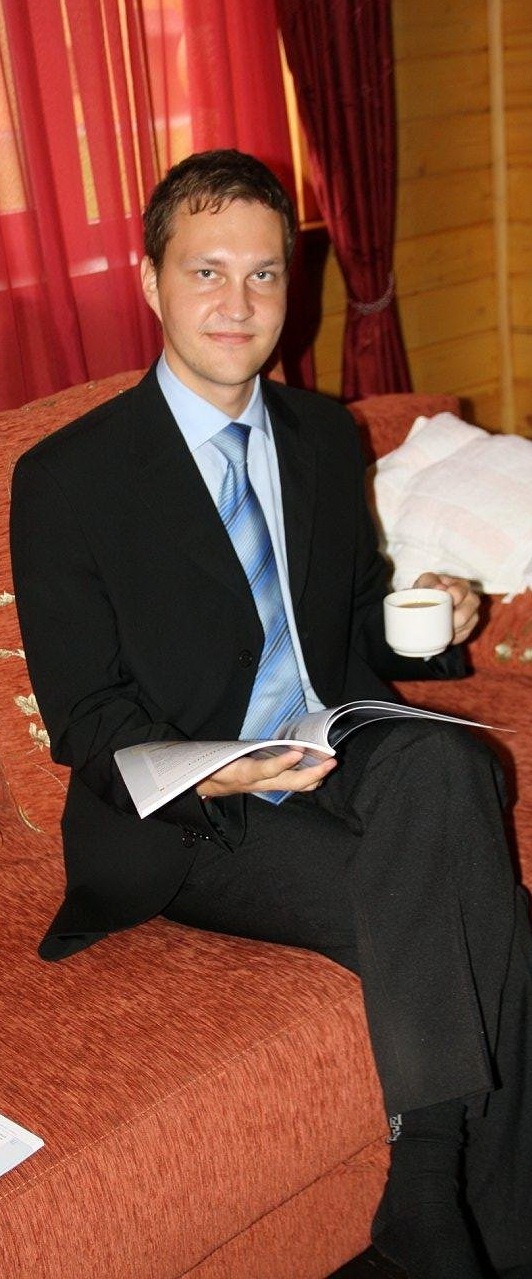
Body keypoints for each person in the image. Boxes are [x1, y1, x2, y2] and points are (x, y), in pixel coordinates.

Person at [10, 149, 532, 1279]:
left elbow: (353, 631)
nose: (236, 304)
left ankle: (428, 1198)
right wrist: (217, 768)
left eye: (262, 275)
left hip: (330, 738)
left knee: (452, 769)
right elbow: (87, 720)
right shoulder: (66, 480)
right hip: (194, 809)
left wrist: (441, 618)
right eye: (206, 271)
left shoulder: (320, 435)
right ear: (150, 283)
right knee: (482, 914)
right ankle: (461, 1211)